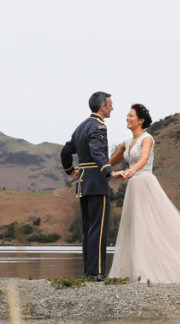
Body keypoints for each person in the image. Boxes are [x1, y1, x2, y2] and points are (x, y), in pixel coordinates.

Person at [107, 104, 180, 284]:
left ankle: (155, 271)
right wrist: (95, 167)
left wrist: (131, 170)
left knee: (150, 226)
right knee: (133, 227)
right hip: (133, 186)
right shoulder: (126, 143)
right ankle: (133, 272)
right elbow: (109, 162)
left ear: (141, 120)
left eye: (131, 116)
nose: (127, 118)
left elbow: (143, 158)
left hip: (145, 182)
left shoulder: (147, 138)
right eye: (127, 116)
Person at [61, 92, 116, 281]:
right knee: (99, 228)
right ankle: (97, 272)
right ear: (102, 106)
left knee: (87, 229)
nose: (112, 108)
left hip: (83, 183)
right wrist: (109, 170)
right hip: (97, 182)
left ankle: (87, 272)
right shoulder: (99, 126)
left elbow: (65, 151)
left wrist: (70, 170)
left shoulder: (80, 128)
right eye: (110, 104)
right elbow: (96, 149)